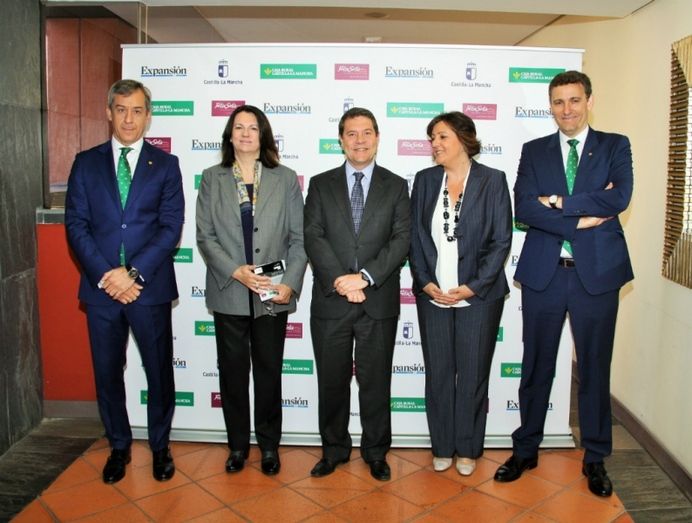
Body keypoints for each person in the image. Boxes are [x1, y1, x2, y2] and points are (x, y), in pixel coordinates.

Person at [494, 70, 633, 497]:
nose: (566, 109)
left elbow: (619, 197)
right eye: (558, 102)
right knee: (536, 365)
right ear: (550, 106)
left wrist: (557, 201)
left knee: (594, 368)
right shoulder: (534, 150)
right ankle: (526, 448)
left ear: (589, 100)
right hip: (545, 273)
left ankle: (595, 457)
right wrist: (580, 219)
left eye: (574, 100)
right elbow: (524, 208)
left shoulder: (615, 145)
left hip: (598, 275)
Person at [65, 79, 184, 484]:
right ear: (108, 112)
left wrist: (132, 274)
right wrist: (106, 275)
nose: (128, 119)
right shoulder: (86, 163)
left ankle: (160, 446)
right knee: (107, 373)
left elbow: (170, 228)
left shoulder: (166, 165)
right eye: (121, 109)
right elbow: (76, 225)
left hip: (148, 289)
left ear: (148, 116)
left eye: (137, 110)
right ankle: (118, 445)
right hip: (101, 292)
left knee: (159, 372)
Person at [196, 104, 307, 476]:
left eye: (253, 128)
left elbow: (299, 239)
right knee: (232, 374)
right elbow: (205, 236)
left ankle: (270, 446)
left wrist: (290, 283)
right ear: (230, 135)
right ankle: (238, 446)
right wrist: (235, 271)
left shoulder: (285, 178)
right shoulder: (212, 178)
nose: (245, 134)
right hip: (229, 289)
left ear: (263, 135)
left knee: (268, 373)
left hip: (272, 293)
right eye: (239, 127)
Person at [304, 107, 411, 481]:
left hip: (377, 301)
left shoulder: (396, 185)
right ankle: (333, 450)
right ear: (341, 140)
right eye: (351, 133)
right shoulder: (320, 184)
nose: (360, 140)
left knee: (376, 382)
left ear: (377, 138)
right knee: (331, 382)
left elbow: (402, 239)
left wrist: (364, 278)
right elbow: (313, 235)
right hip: (331, 301)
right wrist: (341, 280)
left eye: (367, 133)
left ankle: (376, 452)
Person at [409, 111, 512, 476]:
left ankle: (467, 449)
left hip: (479, 297)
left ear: (464, 139)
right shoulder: (424, 180)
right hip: (433, 296)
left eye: (442, 137)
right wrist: (425, 282)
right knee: (438, 374)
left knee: (472, 374)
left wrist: (473, 286)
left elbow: (501, 240)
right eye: (432, 138)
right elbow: (415, 237)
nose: (434, 144)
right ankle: (442, 446)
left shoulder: (493, 180)